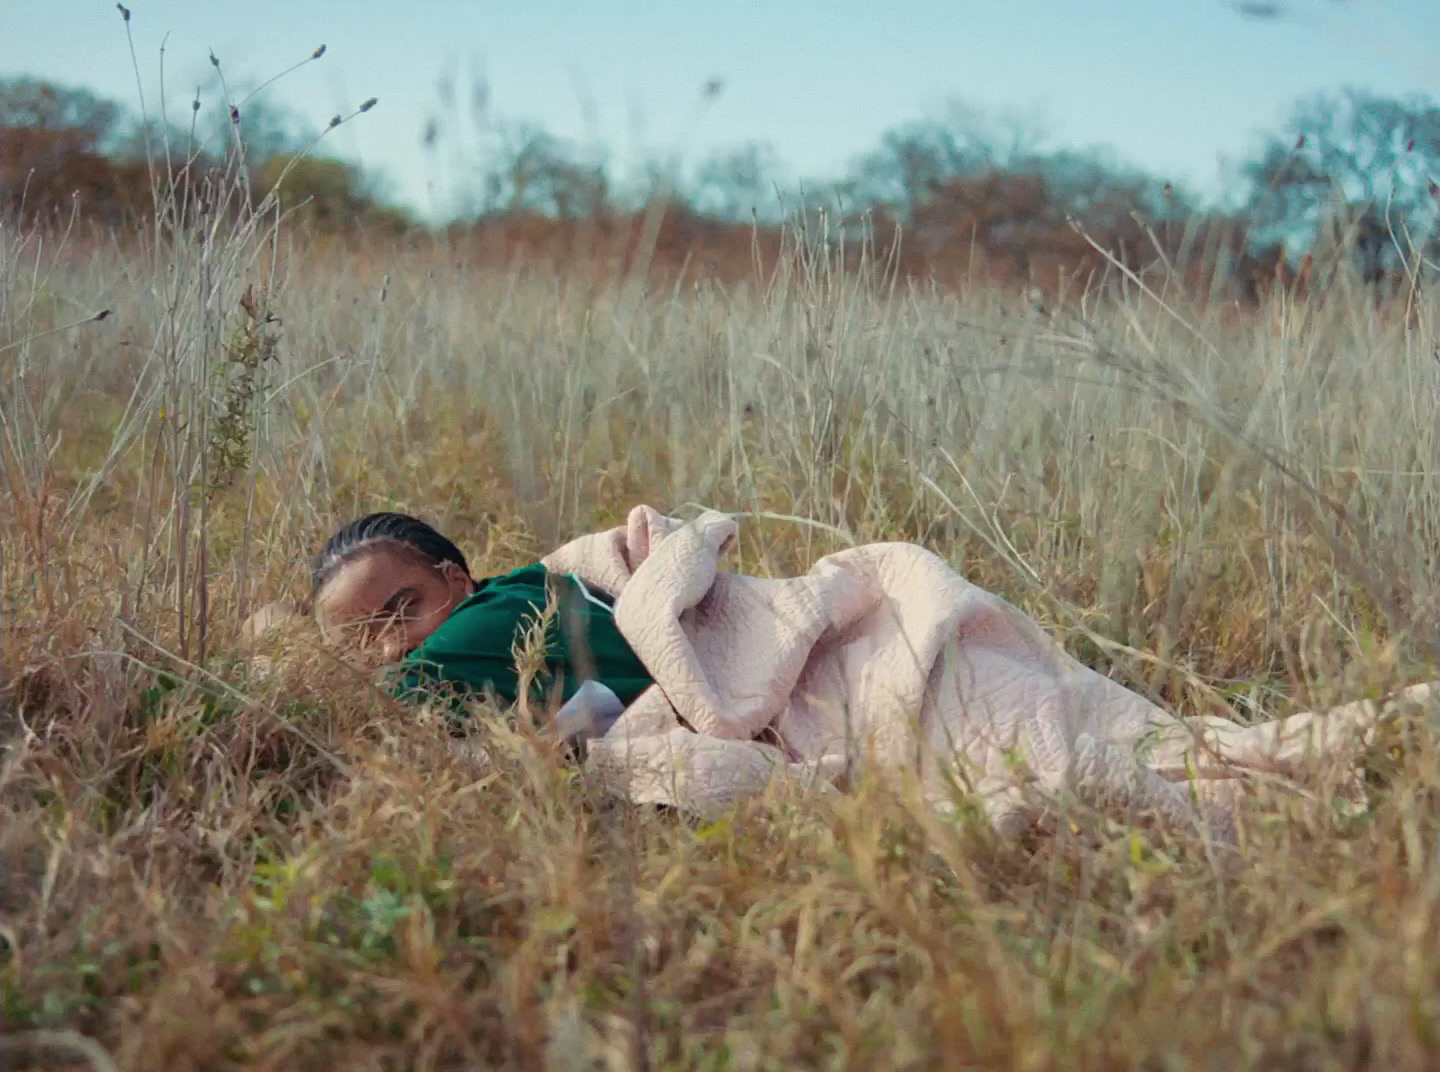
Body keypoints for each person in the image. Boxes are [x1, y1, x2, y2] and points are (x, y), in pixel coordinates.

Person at [306, 512, 653, 732]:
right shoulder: (519, 592)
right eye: (360, 645)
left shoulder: (489, 619)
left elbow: (360, 707)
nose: (391, 648)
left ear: (457, 579)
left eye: (405, 610)